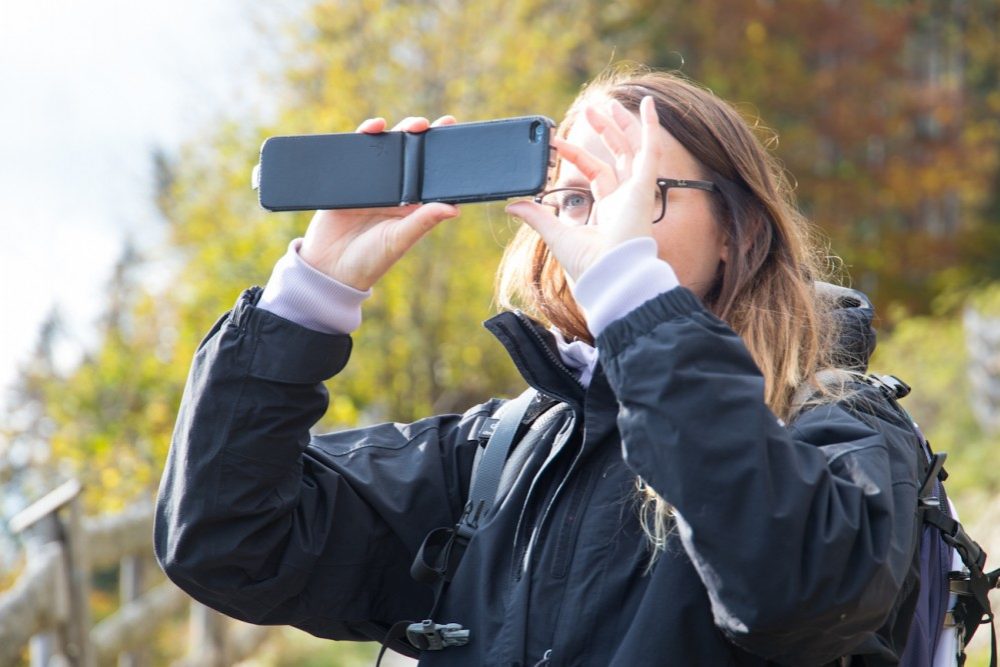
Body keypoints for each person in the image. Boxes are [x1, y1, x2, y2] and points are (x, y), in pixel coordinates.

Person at [154, 67, 928, 666]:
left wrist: (636, 300)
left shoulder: (842, 430)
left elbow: (796, 593)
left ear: (738, 228)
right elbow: (229, 537)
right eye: (577, 200)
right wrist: (313, 295)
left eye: (632, 189)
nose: (598, 225)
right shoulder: (492, 454)